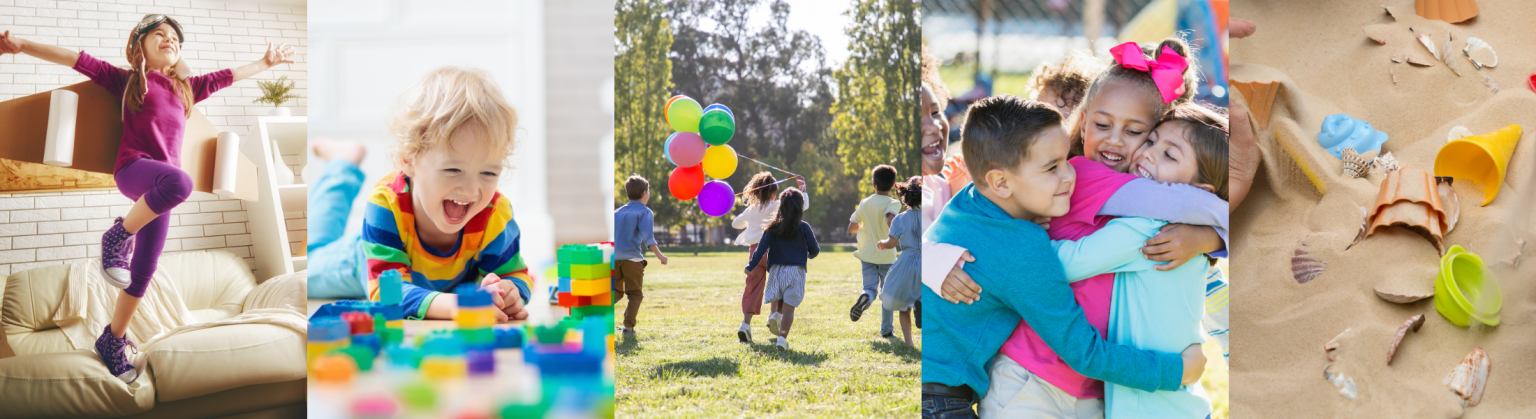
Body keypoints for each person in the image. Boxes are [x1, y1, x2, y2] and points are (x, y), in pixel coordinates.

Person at [0, 16, 294, 384]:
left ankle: (113, 338)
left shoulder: (187, 89)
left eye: (175, 38)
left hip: (161, 190)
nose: (170, 40)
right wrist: (22, 45)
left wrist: (266, 64)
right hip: (135, 169)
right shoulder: (128, 82)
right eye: (160, 34)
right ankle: (117, 236)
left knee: (144, 270)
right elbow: (75, 58)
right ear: (139, 45)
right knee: (182, 183)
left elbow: (226, 76)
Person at [921, 95, 1204, 419]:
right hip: (943, 404)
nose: (1070, 176)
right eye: (1052, 168)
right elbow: (1083, 352)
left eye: (1065, 160)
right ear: (1000, 182)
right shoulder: (1022, 250)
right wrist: (1177, 371)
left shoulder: (968, 201)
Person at [304, 67, 532, 330]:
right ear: (408, 161)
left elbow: (516, 275)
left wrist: (509, 291)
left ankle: (342, 164)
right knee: (308, 265)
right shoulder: (386, 204)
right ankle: (342, 164)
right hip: (362, 257)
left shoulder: (495, 213)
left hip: (421, 277)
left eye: (488, 172)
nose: (471, 190)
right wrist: (455, 306)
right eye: (453, 170)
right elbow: (387, 293)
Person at [729, 172, 806, 343]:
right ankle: (774, 315)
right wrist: (803, 188)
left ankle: (745, 325)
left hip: (755, 253)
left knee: (752, 287)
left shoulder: (751, 209)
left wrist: (751, 219)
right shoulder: (779, 205)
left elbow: (735, 224)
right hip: (775, 251)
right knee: (778, 284)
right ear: (774, 191)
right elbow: (803, 205)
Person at [745, 189, 817, 351]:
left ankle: (776, 315)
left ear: (780, 206)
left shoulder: (772, 227)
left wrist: (751, 266)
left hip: (776, 271)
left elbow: (761, 249)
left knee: (780, 297)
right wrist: (808, 254)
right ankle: (782, 339)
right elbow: (815, 250)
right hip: (796, 271)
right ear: (800, 207)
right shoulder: (804, 227)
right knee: (789, 308)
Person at [849, 164, 901, 338]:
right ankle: (886, 330)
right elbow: (890, 220)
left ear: (874, 184)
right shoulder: (893, 202)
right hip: (886, 255)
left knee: (870, 288)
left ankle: (865, 297)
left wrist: (865, 227)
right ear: (893, 185)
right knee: (887, 293)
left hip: (867, 254)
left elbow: (851, 227)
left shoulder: (864, 203)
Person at [614, 175, 668, 335]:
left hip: (614, 260)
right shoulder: (645, 212)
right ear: (645, 193)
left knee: (615, 292)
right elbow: (648, 238)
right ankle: (628, 328)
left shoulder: (616, 212)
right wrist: (660, 255)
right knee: (635, 294)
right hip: (632, 260)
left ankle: (598, 316)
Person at [877, 176, 923, 346]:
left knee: (904, 305)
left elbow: (891, 244)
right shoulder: (932, 216)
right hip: (928, 261)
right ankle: (922, 305)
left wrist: (882, 243)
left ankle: (909, 343)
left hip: (907, 261)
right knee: (926, 295)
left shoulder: (900, 218)